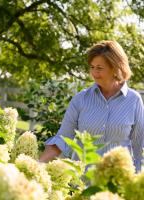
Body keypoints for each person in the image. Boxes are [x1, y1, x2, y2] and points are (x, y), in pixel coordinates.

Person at [39, 40, 144, 172]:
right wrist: (39, 164)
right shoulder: (80, 99)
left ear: (116, 68)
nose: (94, 73)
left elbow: (139, 146)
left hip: (117, 182)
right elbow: (63, 139)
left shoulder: (134, 100)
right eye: (92, 67)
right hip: (83, 182)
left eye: (99, 68)